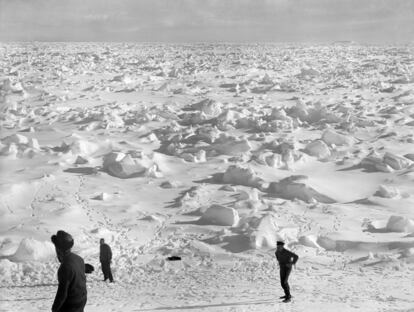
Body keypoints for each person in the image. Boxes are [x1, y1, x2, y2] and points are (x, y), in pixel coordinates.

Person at [51, 230, 87, 312]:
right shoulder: (79, 259)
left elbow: (62, 294)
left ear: (59, 249)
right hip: (81, 303)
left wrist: (54, 309)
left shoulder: (65, 267)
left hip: (70, 307)